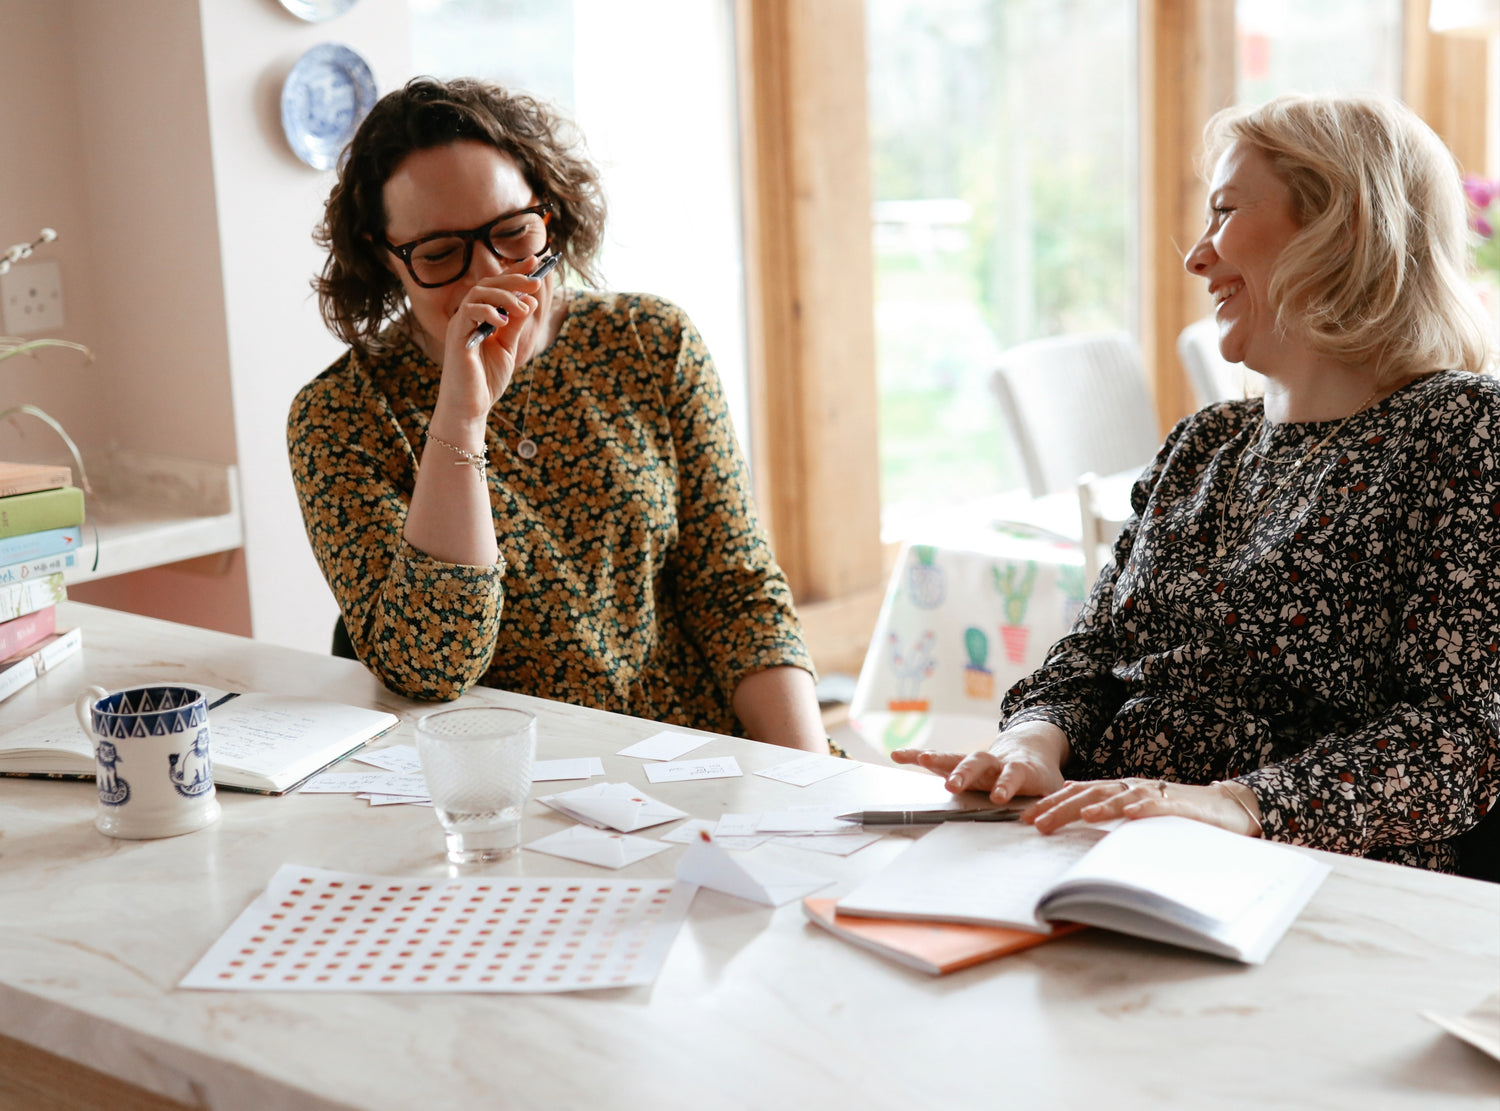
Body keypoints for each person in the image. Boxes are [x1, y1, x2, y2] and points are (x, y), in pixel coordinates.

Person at [896, 93, 1499, 873]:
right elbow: (1092, 650)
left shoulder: (1461, 427)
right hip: (1102, 843)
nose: (1197, 256)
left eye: (1224, 212)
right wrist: (1033, 739)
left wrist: (1235, 802)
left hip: (1303, 875)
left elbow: (1462, 737)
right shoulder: (1203, 441)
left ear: (1340, 229)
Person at [288, 77, 827, 752]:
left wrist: (812, 779)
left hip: (707, 758)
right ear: (382, 255)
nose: (489, 276)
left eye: (513, 234)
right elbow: (431, 665)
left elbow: (738, 594)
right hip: (513, 792)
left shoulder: (652, 342)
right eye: (439, 254)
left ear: (550, 214)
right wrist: (461, 416)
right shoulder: (341, 417)